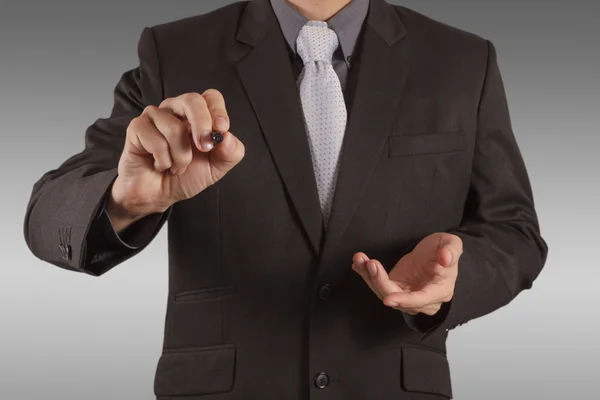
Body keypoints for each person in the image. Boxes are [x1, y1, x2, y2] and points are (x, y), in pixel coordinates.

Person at [23, 0, 548, 398]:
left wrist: (453, 280)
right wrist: (125, 201)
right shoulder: (175, 51)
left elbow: (514, 231)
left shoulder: (462, 60)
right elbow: (49, 217)